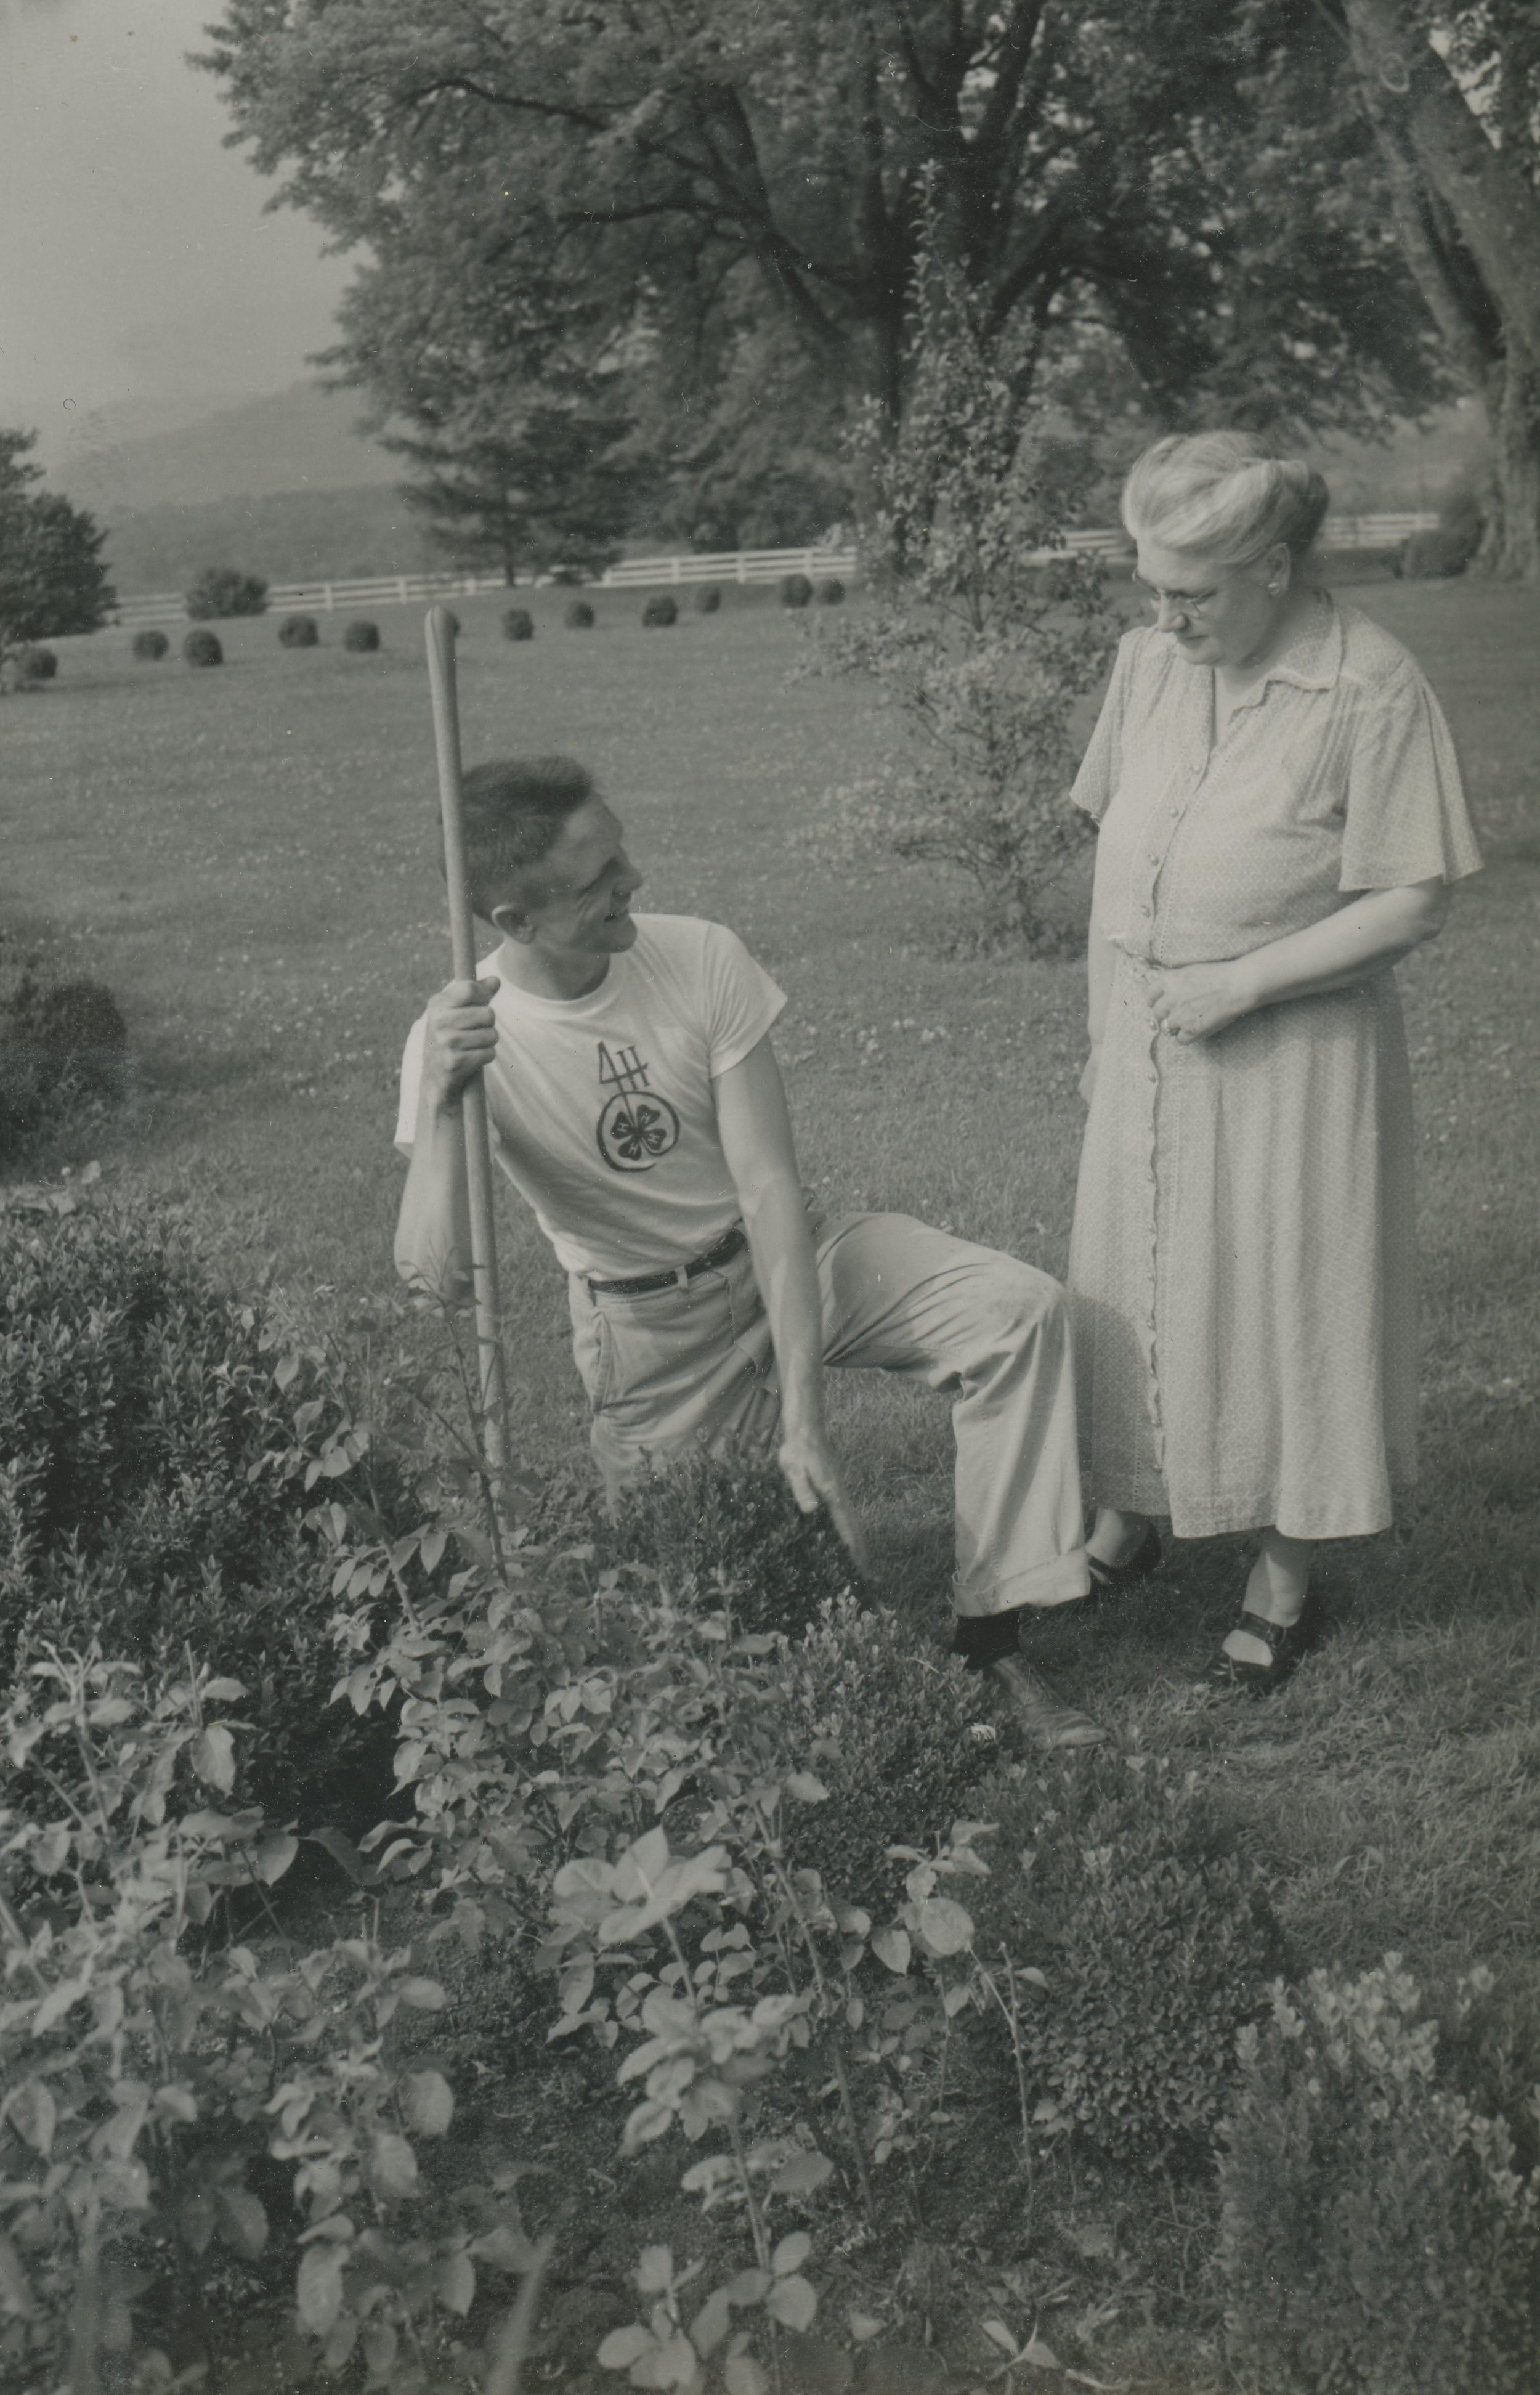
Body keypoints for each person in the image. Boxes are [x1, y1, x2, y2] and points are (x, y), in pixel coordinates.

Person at [394, 755, 1102, 1747]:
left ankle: (992, 1645)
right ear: (516, 922)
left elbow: (770, 1188)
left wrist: (805, 1419)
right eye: (600, 878)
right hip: (647, 1339)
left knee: (1016, 1313)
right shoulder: (465, 1035)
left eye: (622, 850)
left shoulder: (700, 956)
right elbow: (431, 1283)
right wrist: (437, 1100)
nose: (634, 880)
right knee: (695, 1636)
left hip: (785, 1263)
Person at [1066, 431, 1482, 1690]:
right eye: (1149, 585)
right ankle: (1128, 1512)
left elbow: (1410, 897)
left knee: (1277, 1310)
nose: (1161, 615)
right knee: (1130, 1290)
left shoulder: (1366, 687)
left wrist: (1242, 979)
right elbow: (1111, 843)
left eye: (1188, 592)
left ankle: (1280, 1572)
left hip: (1288, 1058)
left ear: (1273, 566)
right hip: (1144, 1048)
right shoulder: (1148, 666)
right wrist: (1116, 1019)